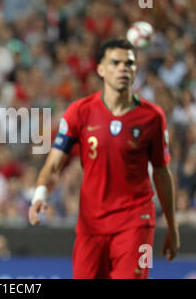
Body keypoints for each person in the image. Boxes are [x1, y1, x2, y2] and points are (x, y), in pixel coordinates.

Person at [29, 39, 180, 279]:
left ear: (136, 70)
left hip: (136, 222)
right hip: (91, 225)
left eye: (129, 63)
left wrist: (173, 226)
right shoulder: (80, 111)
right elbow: (54, 163)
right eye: (115, 63)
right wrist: (39, 195)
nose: (123, 68)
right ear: (100, 69)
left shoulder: (152, 117)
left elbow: (162, 172)